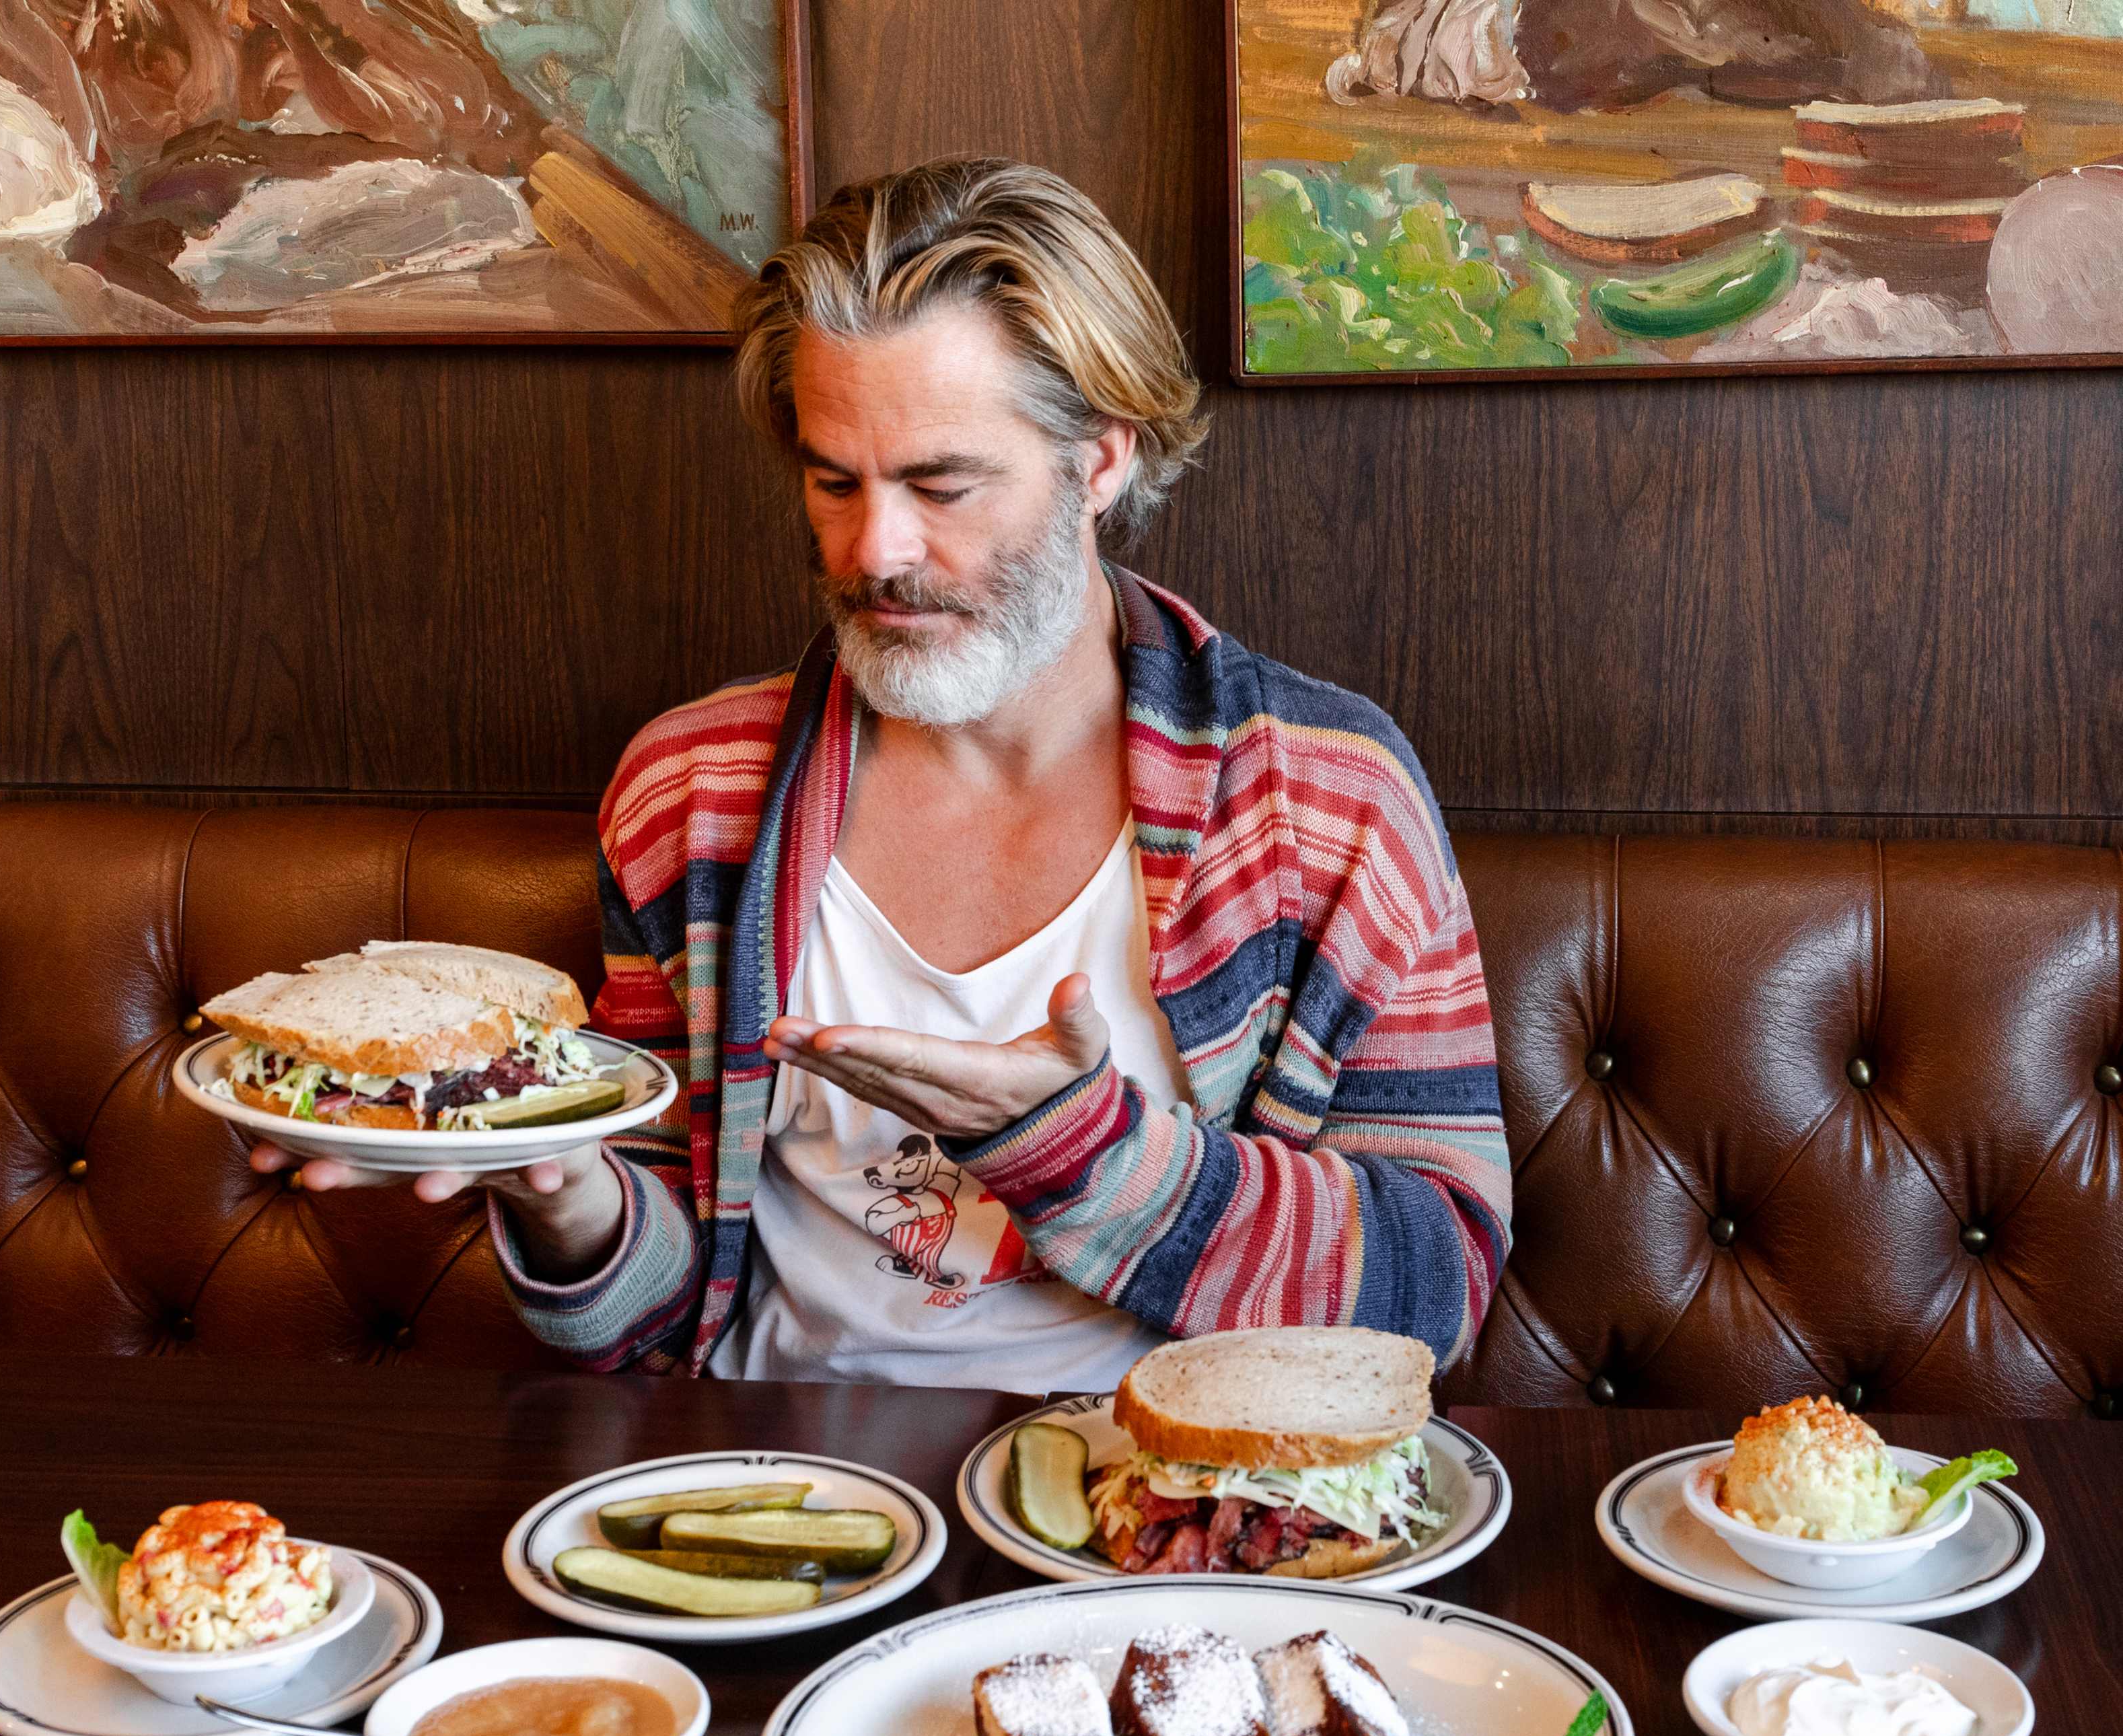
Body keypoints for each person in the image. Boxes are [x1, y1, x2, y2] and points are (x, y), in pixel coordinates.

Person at [256, 158, 1512, 1391]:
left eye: (942, 483)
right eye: (832, 481)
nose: (876, 550)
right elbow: (644, 1320)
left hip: (1148, 1511)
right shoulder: (690, 793)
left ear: (1103, 461)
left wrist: (1076, 1147)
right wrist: (568, 1192)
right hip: (772, 1494)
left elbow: (1435, 1292)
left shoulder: (1325, 795)